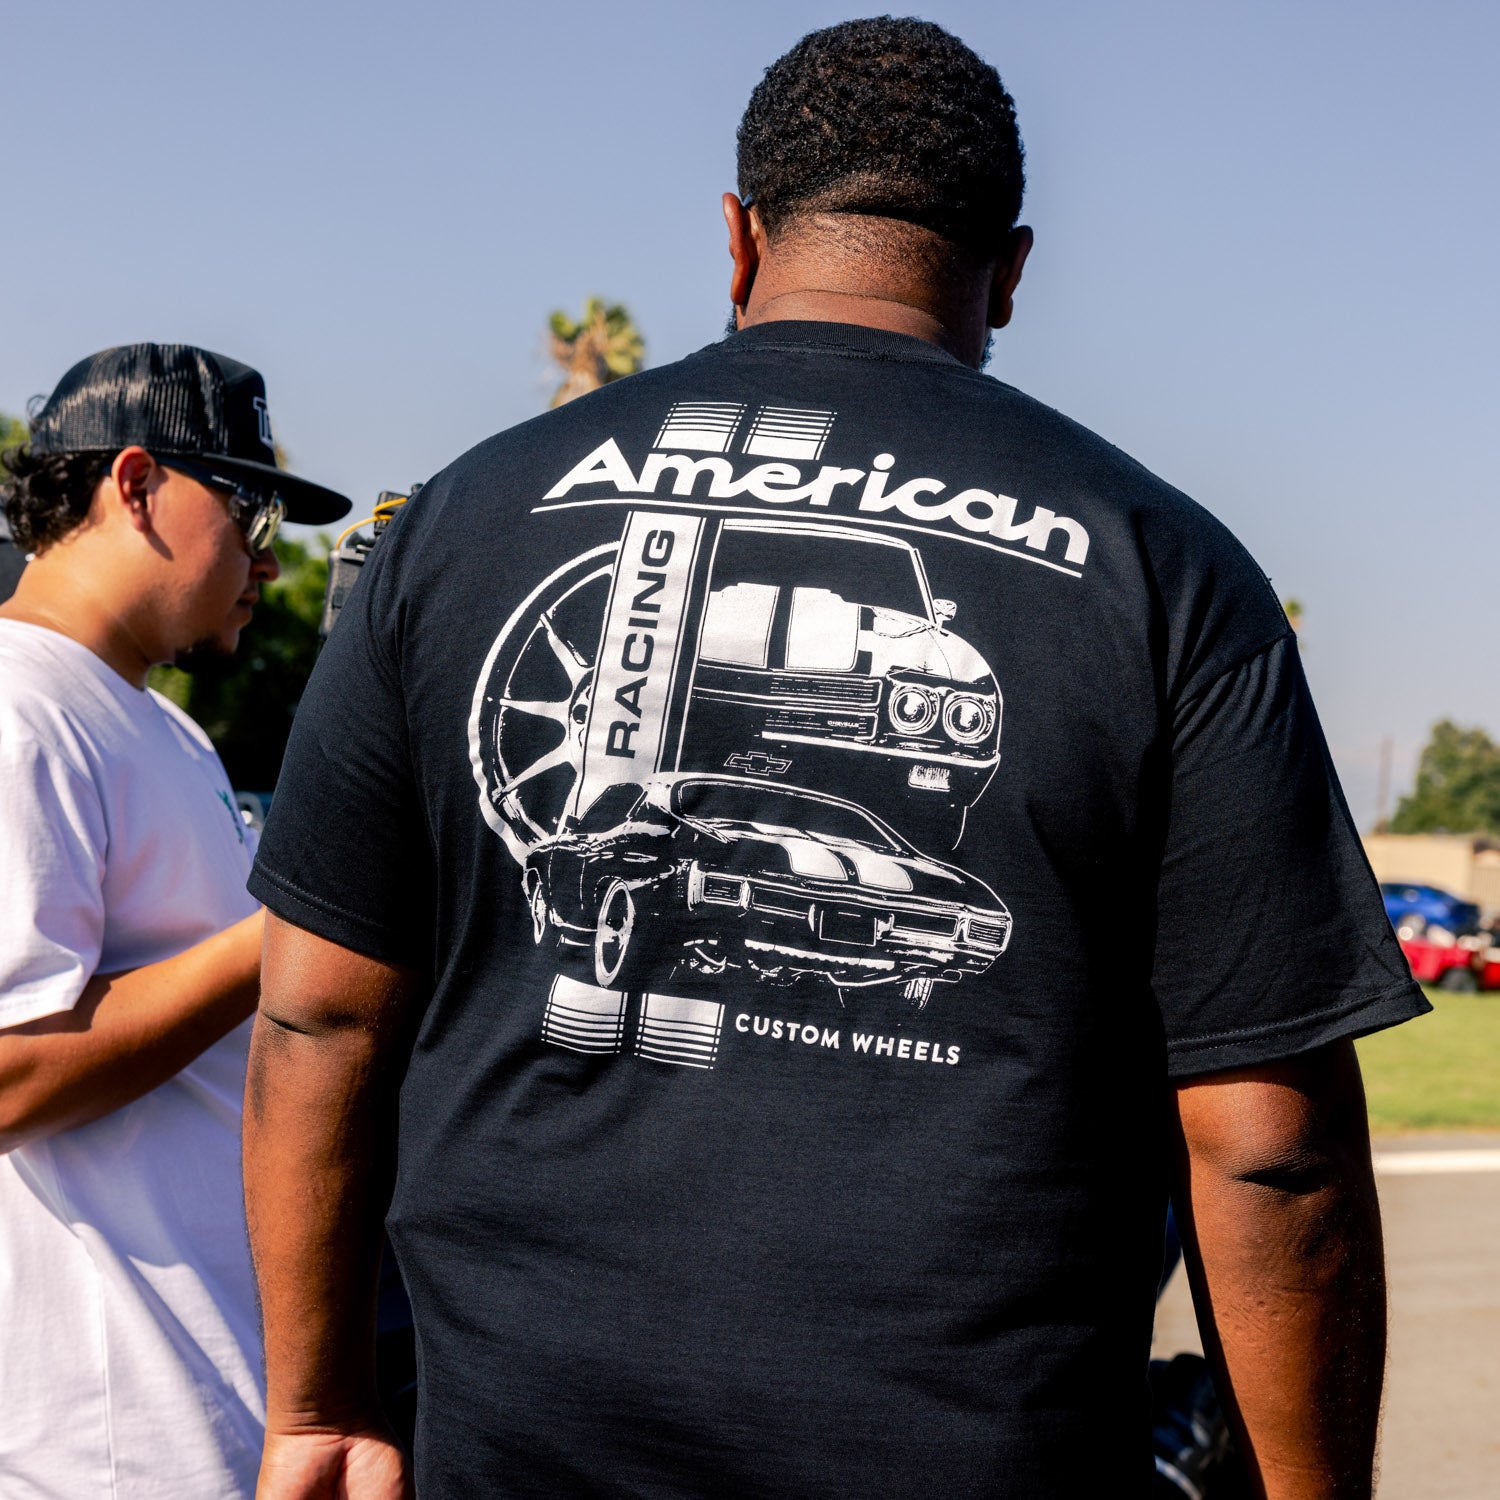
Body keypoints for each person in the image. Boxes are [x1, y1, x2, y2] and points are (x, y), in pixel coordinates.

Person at [245, 19, 1428, 1498]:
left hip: (526, 1452)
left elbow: (315, 1016)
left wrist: (316, 1406)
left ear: (737, 241)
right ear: (1009, 269)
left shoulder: (465, 522)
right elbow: (1270, 1151)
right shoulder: (1165, 568)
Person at [0, 343, 350, 1498]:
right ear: (136, 482)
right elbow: (9, 1073)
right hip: (97, 1443)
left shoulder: (161, 725)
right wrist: (293, 925)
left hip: (207, 1405)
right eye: (250, 510)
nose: (269, 555)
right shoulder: (17, 706)